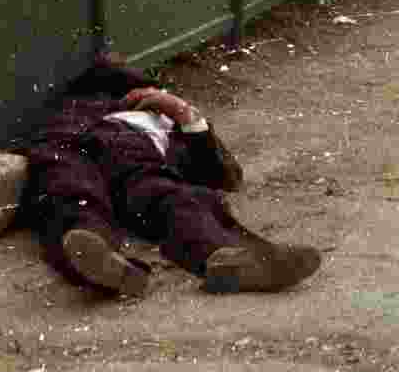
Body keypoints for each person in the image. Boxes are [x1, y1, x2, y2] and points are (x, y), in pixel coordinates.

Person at [16, 54, 321, 299]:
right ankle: (104, 264)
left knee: (169, 196)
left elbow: (227, 177)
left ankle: (228, 259)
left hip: (132, 153)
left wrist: (182, 112)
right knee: (69, 190)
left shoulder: (172, 119)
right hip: (70, 142)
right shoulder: (81, 104)